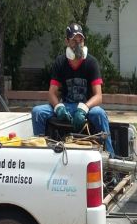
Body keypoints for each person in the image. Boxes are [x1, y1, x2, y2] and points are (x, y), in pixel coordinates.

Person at [31, 22, 114, 155]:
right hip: (66, 106)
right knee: (38, 112)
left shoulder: (91, 63)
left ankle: (111, 158)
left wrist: (84, 108)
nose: (77, 44)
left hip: (87, 108)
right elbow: (52, 93)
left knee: (99, 114)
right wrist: (59, 107)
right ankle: (41, 152)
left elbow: (98, 96)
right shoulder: (60, 62)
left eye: (80, 40)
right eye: (74, 40)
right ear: (67, 42)